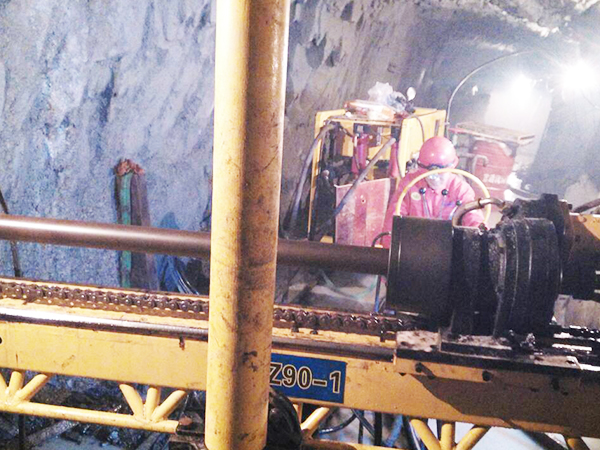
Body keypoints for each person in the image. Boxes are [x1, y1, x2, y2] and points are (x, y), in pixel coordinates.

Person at [381, 136, 484, 247]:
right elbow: (393, 219)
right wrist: (389, 247)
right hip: (414, 246)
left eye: (440, 174)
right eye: (429, 174)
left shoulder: (460, 189)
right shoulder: (410, 184)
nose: (434, 179)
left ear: (452, 166)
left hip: (449, 248)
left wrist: (479, 238)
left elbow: (473, 217)